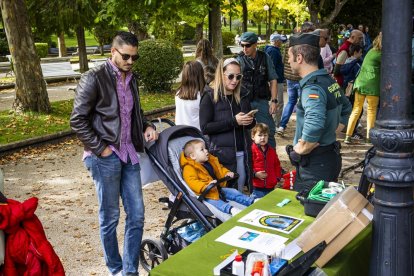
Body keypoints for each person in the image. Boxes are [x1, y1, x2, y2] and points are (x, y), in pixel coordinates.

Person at [70, 31, 158, 276]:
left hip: (129, 155)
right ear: (113, 52)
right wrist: (102, 149)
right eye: (126, 56)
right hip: (104, 158)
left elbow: (133, 112)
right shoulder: (93, 78)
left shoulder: (132, 78)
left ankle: (130, 272)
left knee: (137, 216)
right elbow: (77, 120)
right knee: (110, 218)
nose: (130, 62)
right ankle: (115, 269)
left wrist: (147, 125)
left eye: (135, 58)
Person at [286, 31, 352, 192]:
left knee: (309, 211)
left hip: (315, 164)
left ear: (299, 58)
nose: (288, 60)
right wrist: (332, 131)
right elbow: (346, 107)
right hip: (329, 156)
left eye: (289, 56)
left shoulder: (312, 87)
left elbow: (314, 122)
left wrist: (301, 148)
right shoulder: (327, 80)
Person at [200, 58, 256, 192]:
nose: (235, 80)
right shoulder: (209, 96)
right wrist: (233, 121)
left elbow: (249, 124)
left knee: (240, 190)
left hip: (243, 152)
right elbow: (205, 127)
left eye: (238, 76)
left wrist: (250, 121)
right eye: (230, 76)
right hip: (222, 155)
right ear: (221, 74)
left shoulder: (242, 95)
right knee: (228, 192)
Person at [180, 139, 255, 216]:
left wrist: (226, 173)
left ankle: (251, 201)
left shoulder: (210, 161)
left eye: (205, 148)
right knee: (216, 202)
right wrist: (205, 186)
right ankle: (231, 209)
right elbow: (192, 181)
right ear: (193, 156)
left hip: (217, 188)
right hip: (206, 194)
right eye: (202, 150)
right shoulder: (189, 168)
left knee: (234, 192)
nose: (206, 151)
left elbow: (220, 168)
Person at [236, 31, 278, 148]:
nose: (245, 48)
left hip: (261, 101)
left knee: (268, 131)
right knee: (249, 134)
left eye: (248, 45)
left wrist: (274, 101)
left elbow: (273, 79)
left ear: (255, 45)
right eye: (242, 45)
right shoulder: (239, 60)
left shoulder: (265, 58)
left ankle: (271, 161)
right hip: (245, 101)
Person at [277, 22, 316, 137]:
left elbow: (285, 59)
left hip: (289, 76)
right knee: (303, 103)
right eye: (312, 31)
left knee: (291, 101)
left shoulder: (290, 41)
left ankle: (282, 126)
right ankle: (303, 129)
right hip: (300, 77)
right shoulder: (306, 43)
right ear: (307, 30)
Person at [344, 33, 382, 144]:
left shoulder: (371, 51)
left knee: (356, 109)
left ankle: (348, 136)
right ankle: (369, 138)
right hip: (372, 84)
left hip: (360, 83)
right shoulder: (381, 54)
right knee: (371, 111)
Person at [251, 123, 283, 199]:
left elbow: (277, 165)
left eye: (265, 135)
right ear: (253, 137)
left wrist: (277, 177)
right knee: (256, 206)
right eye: (260, 135)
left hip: (271, 187)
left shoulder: (271, 151)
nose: (263, 138)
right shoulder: (251, 150)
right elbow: (248, 166)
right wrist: (255, 174)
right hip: (256, 188)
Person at [175, 61, 206, 130]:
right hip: (197, 136)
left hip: (179, 132)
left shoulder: (178, 93)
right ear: (200, 75)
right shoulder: (202, 96)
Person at [265, 33, 287, 129]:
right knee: (278, 102)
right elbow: (271, 68)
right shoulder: (273, 51)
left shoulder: (270, 50)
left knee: (275, 102)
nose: (282, 42)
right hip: (276, 81)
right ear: (276, 41)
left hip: (276, 80)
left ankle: (274, 123)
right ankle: (275, 124)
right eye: (280, 41)